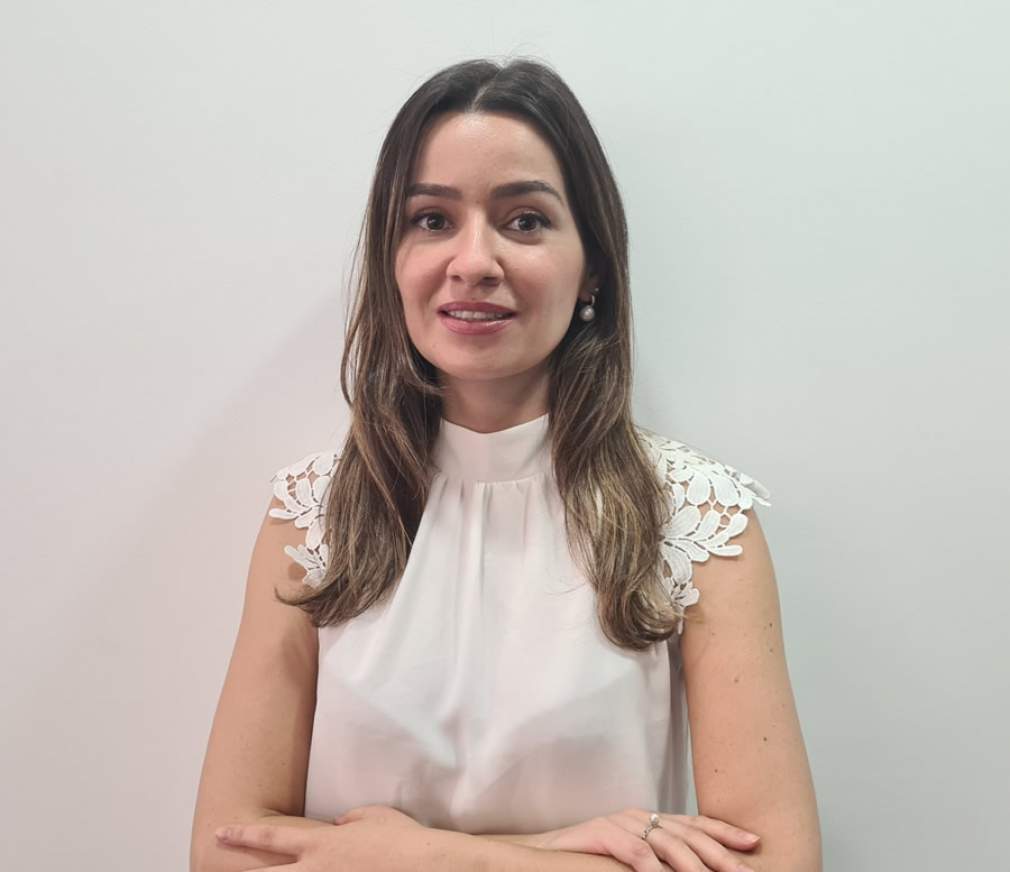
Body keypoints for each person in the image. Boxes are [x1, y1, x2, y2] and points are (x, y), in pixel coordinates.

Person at [190, 57, 822, 872]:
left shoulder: (699, 520)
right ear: (391, 258)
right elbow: (225, 852)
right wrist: (553, 850)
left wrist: (421, 859)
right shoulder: (313, 515)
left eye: (524, 221)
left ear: (593, 265)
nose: (473, 261)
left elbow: (777, 864)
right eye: (431, 219)